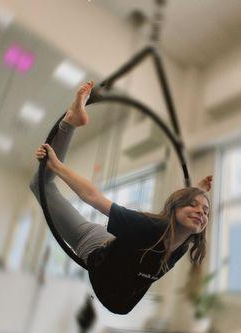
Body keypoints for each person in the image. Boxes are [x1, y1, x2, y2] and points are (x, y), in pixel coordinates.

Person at [30, 81, 213, 314]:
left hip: (119, 255)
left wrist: (196, 192)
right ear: (174, 209)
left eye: (206, 211)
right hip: (94, 244)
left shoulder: (186, 242)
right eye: (193, 206)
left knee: (41, 182)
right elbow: (93, 196)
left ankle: (70, 124)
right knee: (40, 183)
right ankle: (70, 122)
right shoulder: (150, 227)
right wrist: (56, 166)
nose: (201, 212)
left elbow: (189, 210)